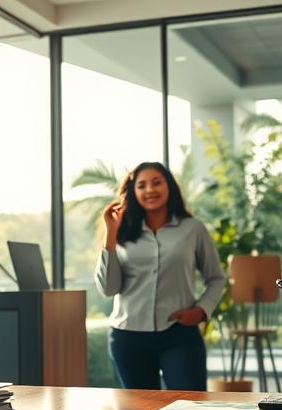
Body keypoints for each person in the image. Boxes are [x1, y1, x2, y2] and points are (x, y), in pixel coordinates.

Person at [95, 161, 226, 391]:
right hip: (127, 337)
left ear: (169, 186)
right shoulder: (122, 231)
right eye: (142, 185)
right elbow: (108, 288)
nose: (149, 190)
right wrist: (110, 234)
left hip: (179, 334)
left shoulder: (193, 229)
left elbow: (216, 278)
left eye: (157, 182)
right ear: (133, 192)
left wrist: (201, 310)